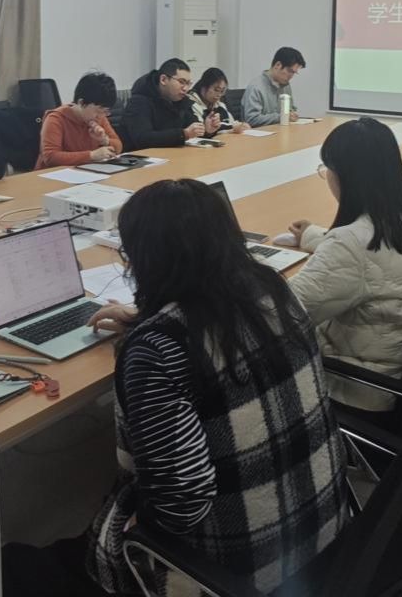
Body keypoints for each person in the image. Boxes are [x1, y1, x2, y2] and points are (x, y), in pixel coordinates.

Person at [81, 179, 349, 597]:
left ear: (144, 258)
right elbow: (209, 325)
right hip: (327, 536)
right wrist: (150, 318)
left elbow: (181, 507)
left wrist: (133, 527)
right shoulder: (275, 289)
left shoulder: (158, 350)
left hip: (239, 573)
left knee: (43, 561)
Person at [285, 118, 402, 411]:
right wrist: (313, 236)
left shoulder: (350, 243)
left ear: (345, 176)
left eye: (327, 169)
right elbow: (370, 260)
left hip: (359, 388)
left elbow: (282, 314)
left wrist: (246, 271)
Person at [119, 59, 217, 151]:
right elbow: (143, 139)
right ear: (163, 79)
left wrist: (206, 130)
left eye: (188, 83)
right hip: (140, 157)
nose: (185, 88)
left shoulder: (181, 100)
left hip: (170, 154)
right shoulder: (139, 101)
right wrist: (184, 134)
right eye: (181, 82)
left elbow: (191, 127)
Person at [35, 73, 123, 169]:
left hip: (85, 171)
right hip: (52, 174)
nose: (101, 116)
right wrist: (92, 155)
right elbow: (51, 157)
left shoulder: (100, 117)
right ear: (81, 102)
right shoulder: (55, 118)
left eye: (105, 111)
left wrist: (105, 140)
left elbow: (118, 146)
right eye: (98, 110)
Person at [243, 47, 305, 126]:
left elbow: (290, 109)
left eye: (294, 73)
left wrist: (292, 114)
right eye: (290, 71)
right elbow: (252, 119)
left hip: (280, 131)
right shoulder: (256, 87)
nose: (291, 76)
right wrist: (281, 117)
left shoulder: (285, 86)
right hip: (260, 132)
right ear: (277, 65)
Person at [187, 67, 250, 134]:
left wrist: (241, 125)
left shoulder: (219, 105)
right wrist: (231, 130)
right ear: (203, 87)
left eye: (222, 91)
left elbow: (231, 122)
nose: (219, 95)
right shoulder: (190, 103)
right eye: (216, 90)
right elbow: (201, 132)